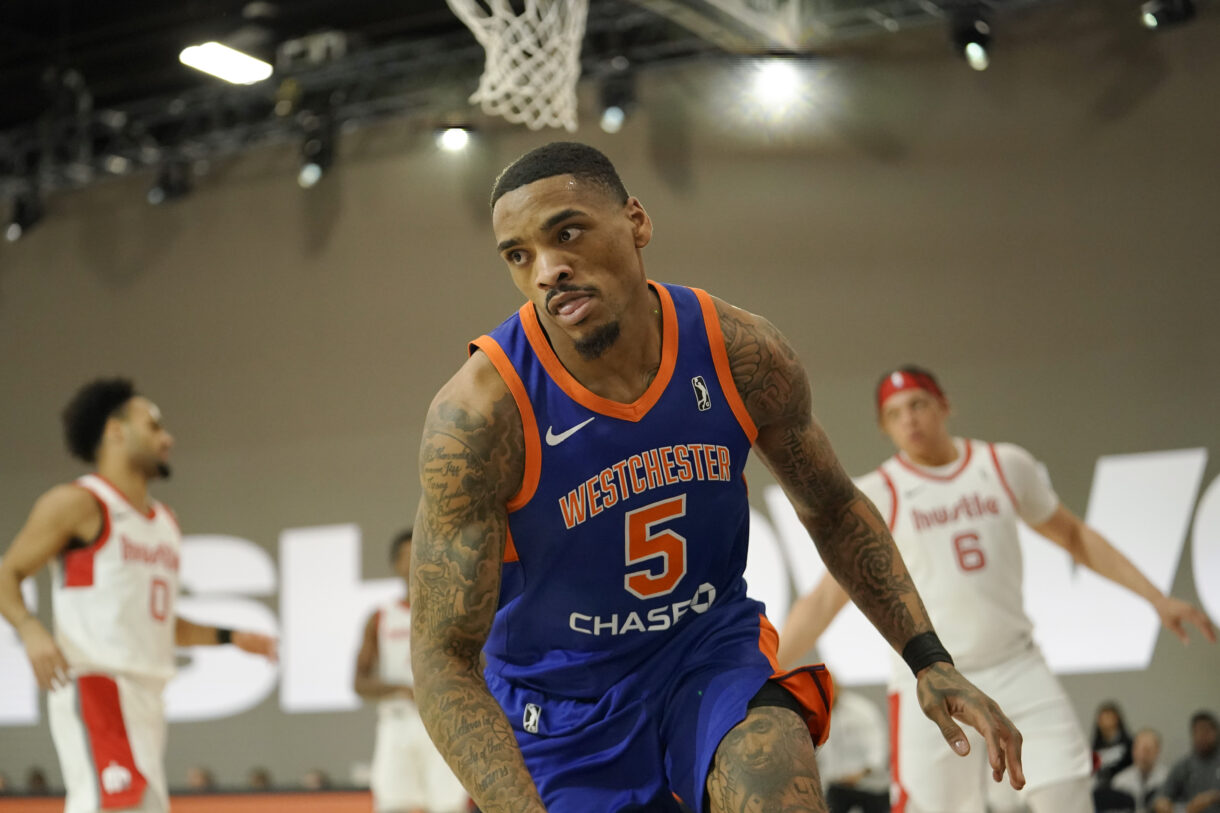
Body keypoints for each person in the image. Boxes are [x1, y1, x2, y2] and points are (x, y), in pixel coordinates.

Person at [409, 142, 1026, 813]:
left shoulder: (737, 350)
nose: (548, 269)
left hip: (703, 654)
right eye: (518, 255)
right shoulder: (480, 416)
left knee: (776, 782)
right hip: (561, 701)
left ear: (637, 221)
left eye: (568, 233)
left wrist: (928, 657)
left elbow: (831, 506)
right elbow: (443, 658)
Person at [778, 365, 1216, 813]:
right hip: (930, 679)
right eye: (894, 414)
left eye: (917, 404)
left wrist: (1156, 597)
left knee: (1067, 793)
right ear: (884, 427)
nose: (909, 419)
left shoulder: (1004, 465)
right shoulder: (878, 492)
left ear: (944, 405)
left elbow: (1075, 536)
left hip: (1015, 665)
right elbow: (825, 598)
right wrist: (768, 666)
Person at [0, 378, 277, 813]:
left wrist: (230, 637)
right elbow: (7, 573)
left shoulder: (166, 522)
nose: (168, 438)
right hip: (97, 683)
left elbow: (160, 622)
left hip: (147, 698)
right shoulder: (79, 503)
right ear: (115, 431)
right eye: (154, 426)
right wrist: (30, 629)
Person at [354, 529, 468, 813]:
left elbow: (476, 670)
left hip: (444, 723)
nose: (414, 560)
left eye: (420, 552)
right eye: (407, 555)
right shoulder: (380, 617)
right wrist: (402, 689)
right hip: (398, 722)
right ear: (395, 563)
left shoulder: (452, 612)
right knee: (395, 806)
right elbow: (359, 682)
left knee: (448, 807)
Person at [818, 689, 890, 813]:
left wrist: (862, 773)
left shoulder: (861, 710)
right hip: (837, 785)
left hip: (871, 785)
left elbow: (878, 746)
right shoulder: (820, 713)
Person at [1153, 711, 1220, 813]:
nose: (1202, 736)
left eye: (1206, 731)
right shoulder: (1183, 765)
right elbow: (1162, 796)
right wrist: (1162, 803)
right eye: (1198, 731)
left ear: (1215, 733)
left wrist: (1213, 797)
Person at [1111, 728, 1168, 813]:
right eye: (1139, 749)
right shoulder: (1120, 781)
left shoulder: (1167, 778)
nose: (1143, 755)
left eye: (1147, 750)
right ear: (1133, 751)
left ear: (1157, 751)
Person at [1095, 701, 1135, 787]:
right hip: (1100, 786)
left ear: (1117, 719)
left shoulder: (1129, 745)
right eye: (1102, 718)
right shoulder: (1095, 747)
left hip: (1124, 785)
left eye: (1108, 717)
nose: (1105, 721)